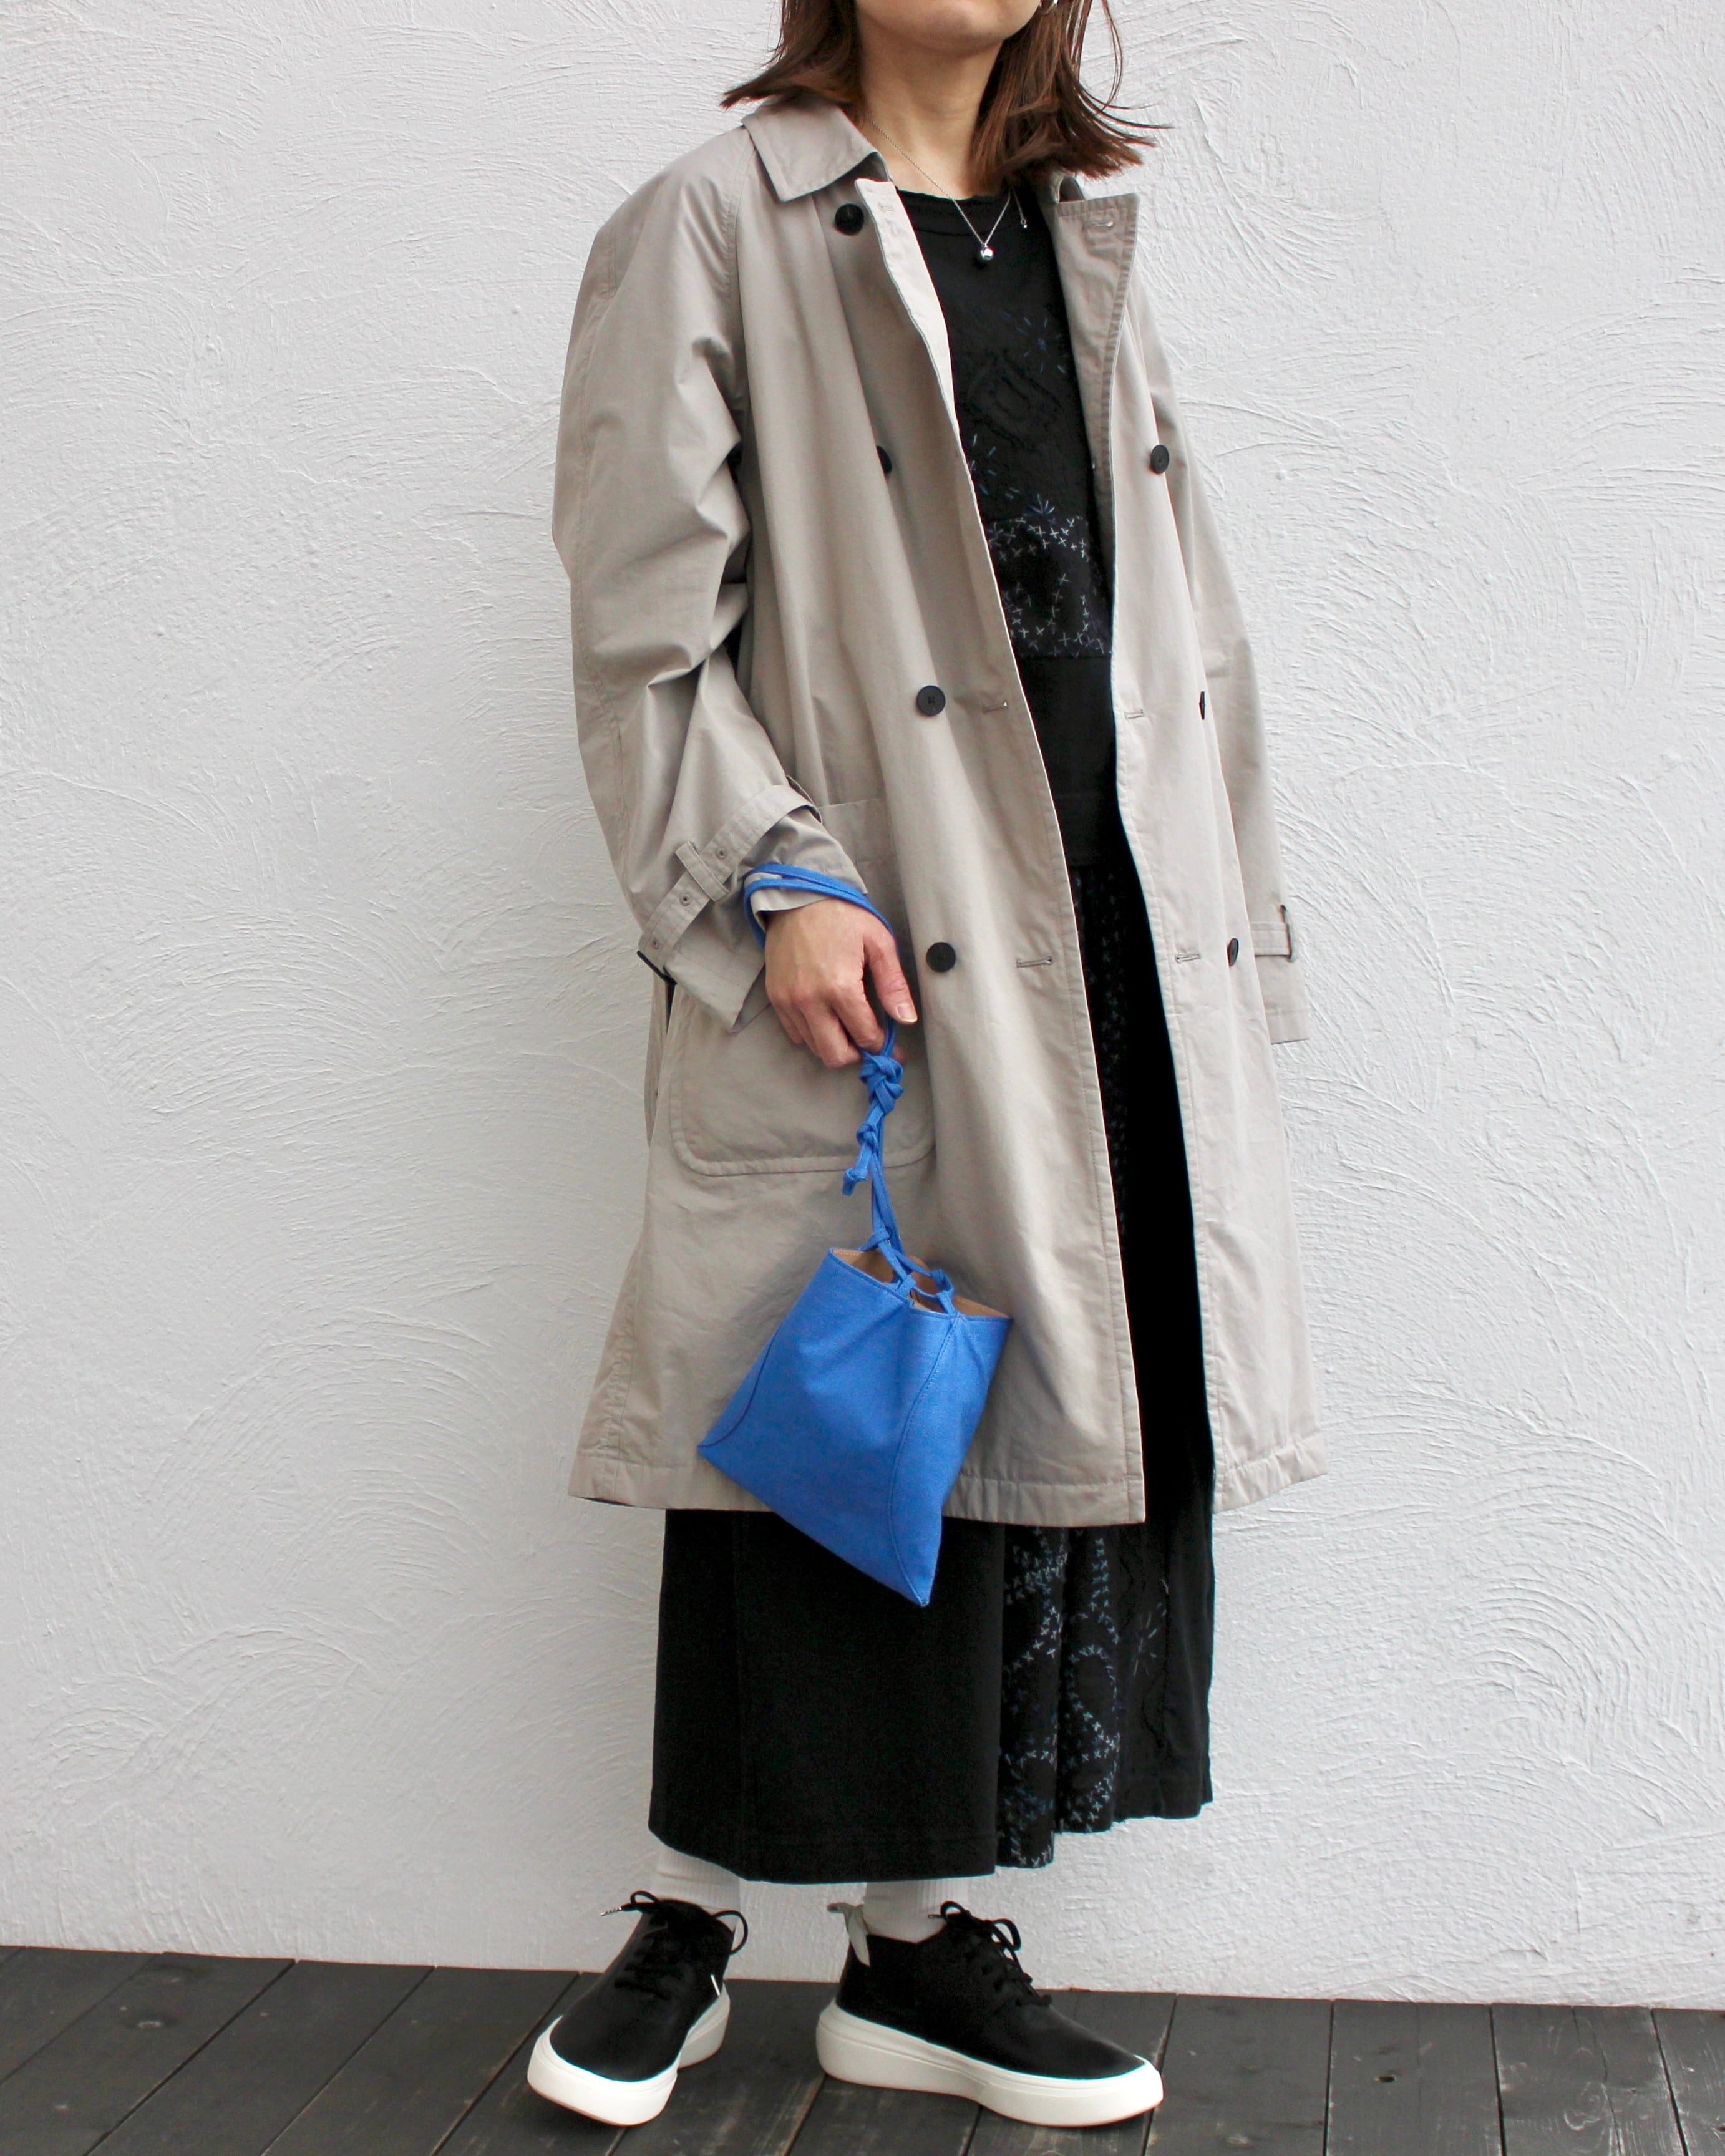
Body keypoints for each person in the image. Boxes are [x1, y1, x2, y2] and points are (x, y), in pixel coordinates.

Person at [533, 0, 1321, 2130]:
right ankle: (689, 1916)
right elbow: (641, 632)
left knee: (1016, 1436)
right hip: (879, 916)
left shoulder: (1078, 231)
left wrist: (1235, 931)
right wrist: (770, 877)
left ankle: (914, 1946)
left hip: (1101, 924)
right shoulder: (716, 221)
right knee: (823, 1409)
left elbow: (1186, 634)